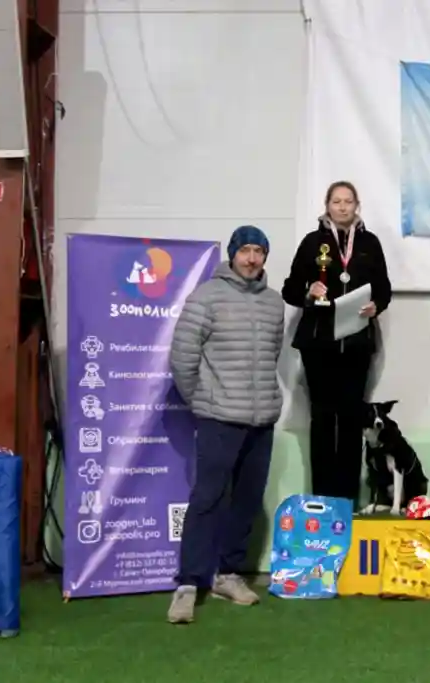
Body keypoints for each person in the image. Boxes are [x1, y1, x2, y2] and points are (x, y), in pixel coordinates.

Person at [167, 225, 285, 624]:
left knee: (248, 500)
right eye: (245, 250)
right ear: (233, 254)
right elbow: (182, 358)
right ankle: (188, 583)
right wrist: (202, 400)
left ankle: (228, 575)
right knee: (207, 499)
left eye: (259, 251)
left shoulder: (274, 303)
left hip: (261, 419)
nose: (252, 258)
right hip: (218, 418)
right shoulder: (206, 297)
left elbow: (271, 354)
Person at [282, 181, 393, 501]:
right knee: (322, 419)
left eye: (348, 201)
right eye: (336, 201)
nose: (343, 207)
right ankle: (322, 497)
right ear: (327, 206)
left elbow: (384, 289)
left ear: (357, 205)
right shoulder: (312, 242)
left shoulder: (370, 243)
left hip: (357, 344)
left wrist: (376, 306)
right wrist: (308, 292)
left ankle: (347, 498)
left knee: (350, 420)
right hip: (319, 345)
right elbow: (290, 289)